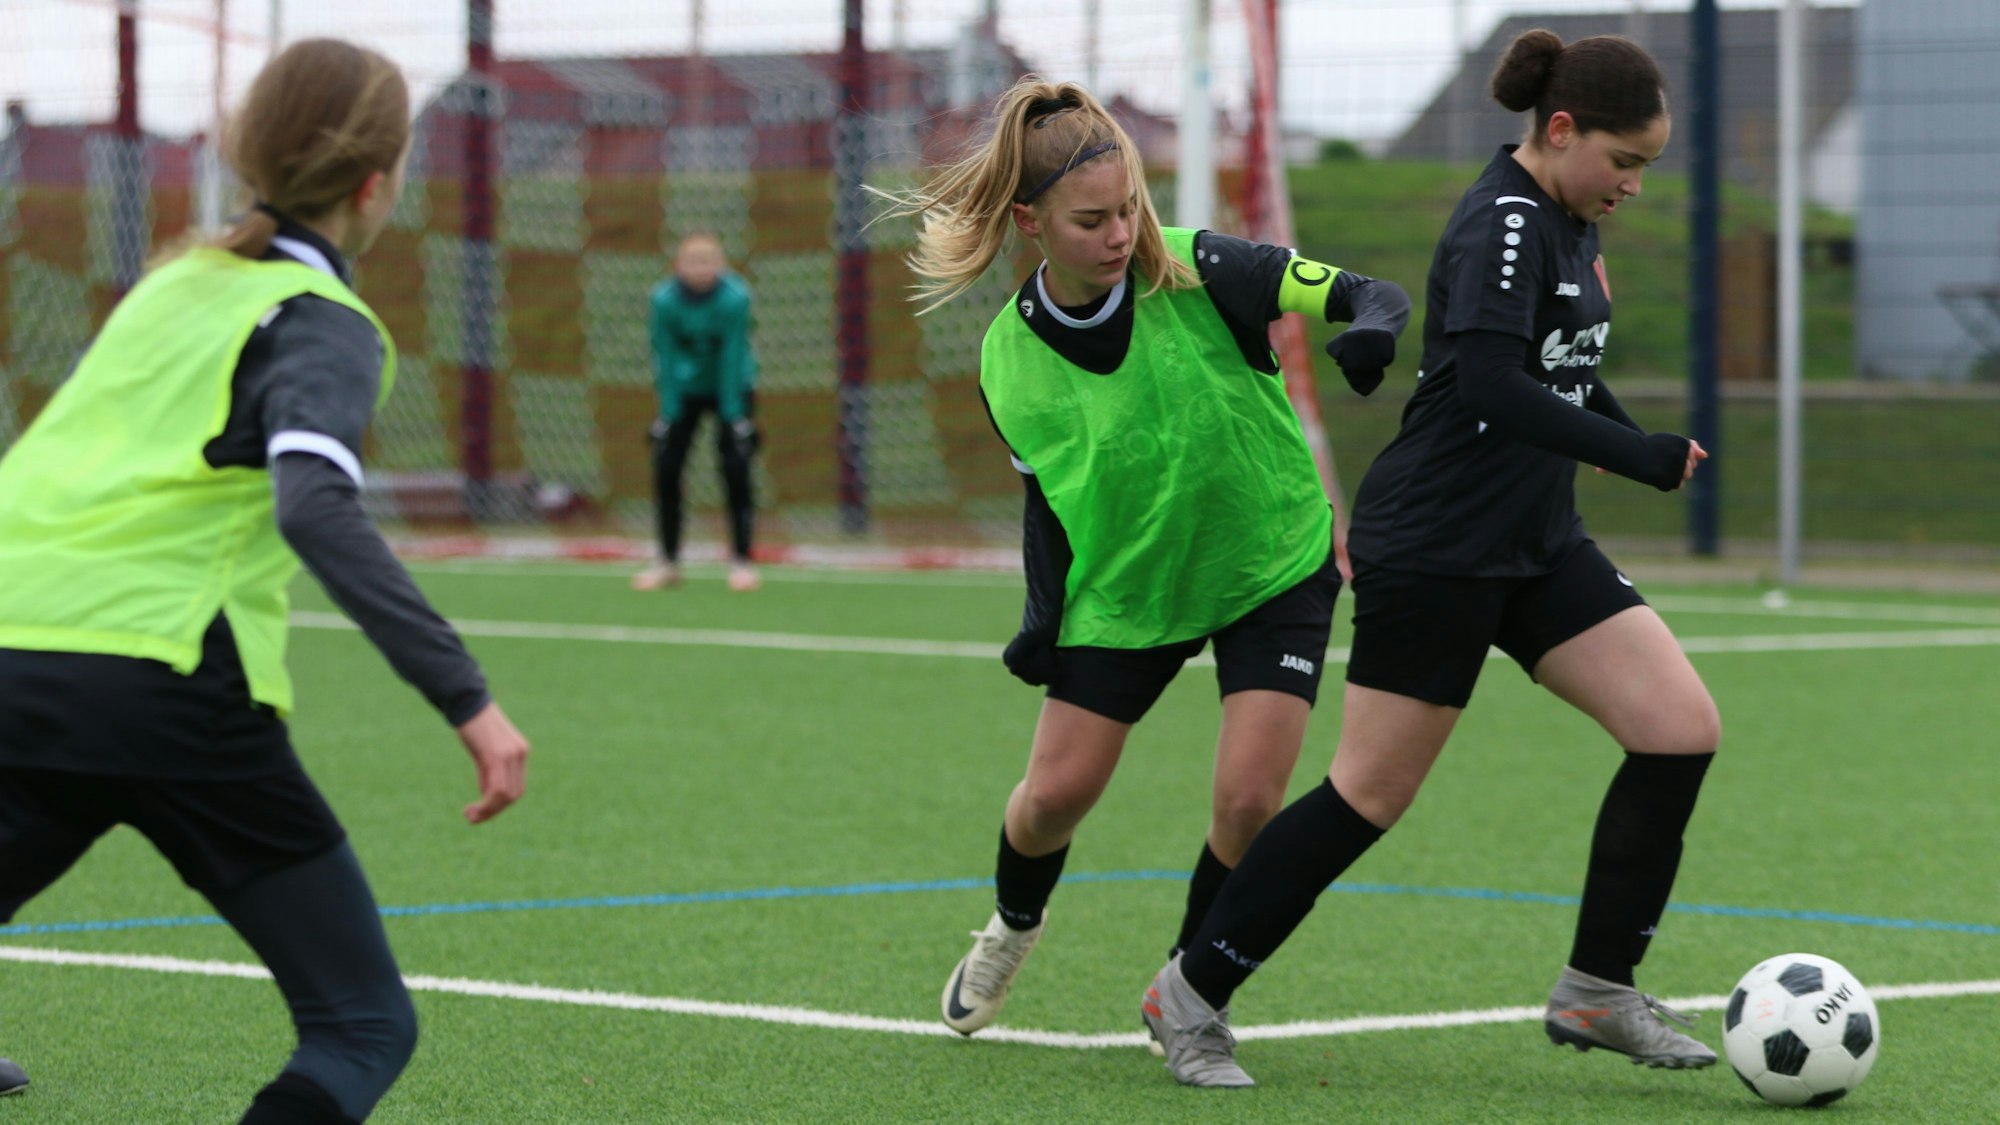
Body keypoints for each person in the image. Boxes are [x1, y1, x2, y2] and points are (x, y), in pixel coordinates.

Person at [1140, 30, 1719, 1088]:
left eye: (1645, 166)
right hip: (1437, 546)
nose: (1632, 184)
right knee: (1367, 792)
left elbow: (1561, 370)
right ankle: (1188, 993)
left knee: (1677, 730)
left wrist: (1637, 433)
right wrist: (1634, 458)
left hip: (1535, 545)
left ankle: (1595, 990)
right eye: (1623, 161)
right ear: (1558, 130)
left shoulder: (1567, 221)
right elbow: (1496, 387)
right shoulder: (1502, 222)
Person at [0, 40, 530, 1123]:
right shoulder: (320, 318)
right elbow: (314, 505)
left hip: (16, 661)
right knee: (362, 1024)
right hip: (165, 678)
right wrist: (464, 696)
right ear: (379, 184)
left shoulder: (168, 285)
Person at [874, 77, 1411, 1038]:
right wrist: (1046, 627)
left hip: (1271, 562)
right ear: (1031, 223)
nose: (1121, 233)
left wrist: (1370, 328)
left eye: (1129, 207)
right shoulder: (1007, 359)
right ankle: (1010, 923)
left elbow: (1368, 292)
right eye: (1092, 220)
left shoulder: (1207, 268)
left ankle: (1189, 985)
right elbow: (1052, 507)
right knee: (1052, 798)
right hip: (1129, 588)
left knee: (1249, 800)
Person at [632, 231, 761, 593]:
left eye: (708, 261)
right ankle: (667, 561)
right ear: (679, 265)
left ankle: (741, 560)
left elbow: (733, 355)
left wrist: (735, 414)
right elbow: (665, 354)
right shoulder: (664, 301)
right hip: (685, 390)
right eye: (694, 261)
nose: (701, 268)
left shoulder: (735, 298)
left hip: (731, 387)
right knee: (668, 469)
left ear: (720, 264)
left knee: (736, 469)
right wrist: (669, 413)